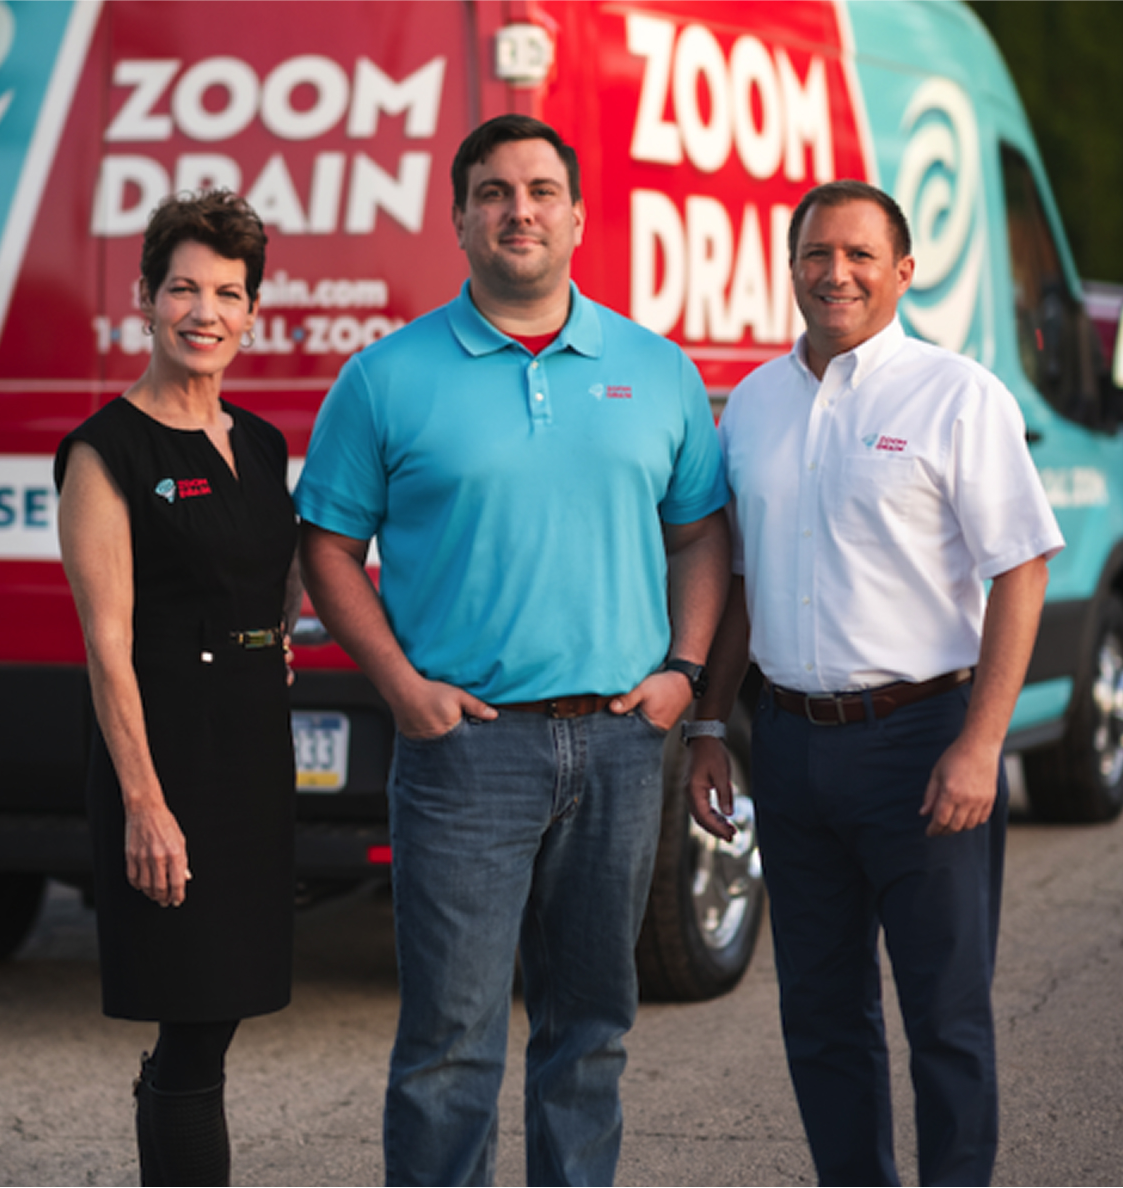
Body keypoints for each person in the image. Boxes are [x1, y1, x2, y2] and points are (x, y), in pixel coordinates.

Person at [293, 113, 730, 1187]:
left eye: (540, 190)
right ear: (458, 219)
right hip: (464, 753)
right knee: (448, 1047)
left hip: (623, 745)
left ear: (578, 215)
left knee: (590, 1030)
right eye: (493, 192)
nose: (518, 210)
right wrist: (399, 687)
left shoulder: (655, 368)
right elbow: (327, 547)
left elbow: (701, 533)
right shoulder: (386, 377)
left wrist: (683, 672)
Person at [685, 180, 1065, 1186]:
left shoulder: (956, 394)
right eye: (816, 254)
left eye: (859, 255)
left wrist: (979, 745)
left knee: (944, 1015)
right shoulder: (756, 403)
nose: (835, 273)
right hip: (794, 745)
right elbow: (742, 581)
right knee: (818, 1013)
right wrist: (710, 726)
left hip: (922, 740)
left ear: (903, 271)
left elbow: (1021, 567)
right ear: (792, 266)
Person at [55, 190, 299, 1187]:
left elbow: (273, 583)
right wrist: (145, 808)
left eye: (227, 294)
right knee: (194, 1026)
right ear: (143, 299)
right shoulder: (104, 453)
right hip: (166, 759)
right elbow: (106, 647)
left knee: (221, 1012)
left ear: (251, 315)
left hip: (251, 746)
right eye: (184, 288)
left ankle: (164, 1108)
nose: (205, 311)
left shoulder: (265, 443)